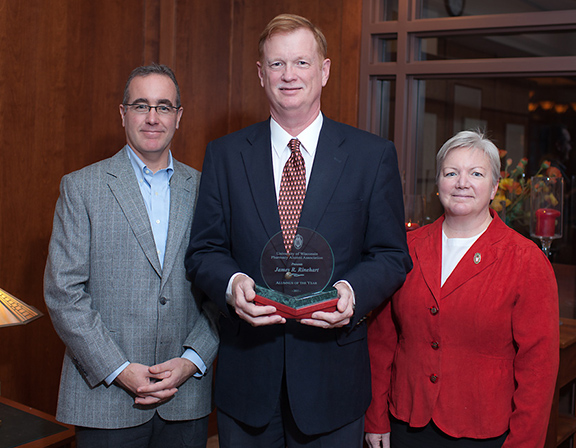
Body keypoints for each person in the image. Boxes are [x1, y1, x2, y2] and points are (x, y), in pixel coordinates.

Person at [185, 13, 411, 448]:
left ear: (324, 71)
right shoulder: (225, 155)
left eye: (302, 63)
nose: (289, 75)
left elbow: (390, 254)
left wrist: (352, 292)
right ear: (260, 74)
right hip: (247, 379)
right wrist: (232, 286)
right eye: (276, 64)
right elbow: (204, 251)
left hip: (333, 383)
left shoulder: (372, 156)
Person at [44, 64, 219, 448]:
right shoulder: (81, 188)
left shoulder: (207, 189)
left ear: (179, 116)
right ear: (123, 114)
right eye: (141, 105)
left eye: (164, 106)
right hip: (105, 398)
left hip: (184, 397)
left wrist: (192, 360)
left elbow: (220, 289)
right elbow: (63, 293)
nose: (153, 117)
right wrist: (120, 370)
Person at [365, 130, 559, 448]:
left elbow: (538, 368)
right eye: (451, 172)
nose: (462, 183)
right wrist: (375, 418)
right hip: (405, 424)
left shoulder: (526, 260)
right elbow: (381, 341)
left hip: (485, 432)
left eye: (476, 174)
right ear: (438, 183)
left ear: (495, 186)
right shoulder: (406, 248)